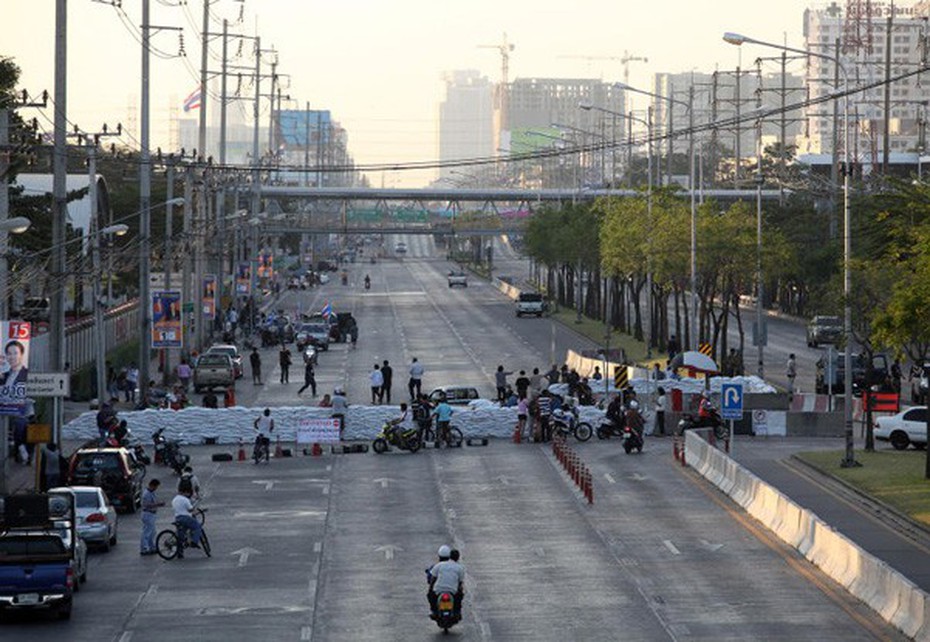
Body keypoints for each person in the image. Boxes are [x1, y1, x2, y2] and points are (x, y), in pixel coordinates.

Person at [428, 544, 465, 619]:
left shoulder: (439, 565)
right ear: (458, 558)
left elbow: (433, 578)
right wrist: (459, 590)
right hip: (452, 591)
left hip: (439, 590)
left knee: (430, 596)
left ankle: (434, 611)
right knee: (459, 597)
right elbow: (460, 582)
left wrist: (430, 588)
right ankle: (457, 611)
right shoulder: (459, 568)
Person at [171, 485, 202, 556]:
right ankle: (194, 541)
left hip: (177, 518)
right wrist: (194, 507)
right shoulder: (185, 499)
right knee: (197, 526)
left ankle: (179, 552)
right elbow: (190, 509)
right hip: (186, 518)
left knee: (181, 535)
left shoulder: (174, 499)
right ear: (186, 492)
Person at [140, 478, 164, 556]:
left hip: (151, 514)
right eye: (156, 486)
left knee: (152, 532)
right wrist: (158, 504)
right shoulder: (146, 494)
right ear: (152, 485)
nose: (156, 488)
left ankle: (151, 547)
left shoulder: (151, 492)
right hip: (148, 514)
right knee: (147, 532)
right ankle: (144, 548)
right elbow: (146, 504)